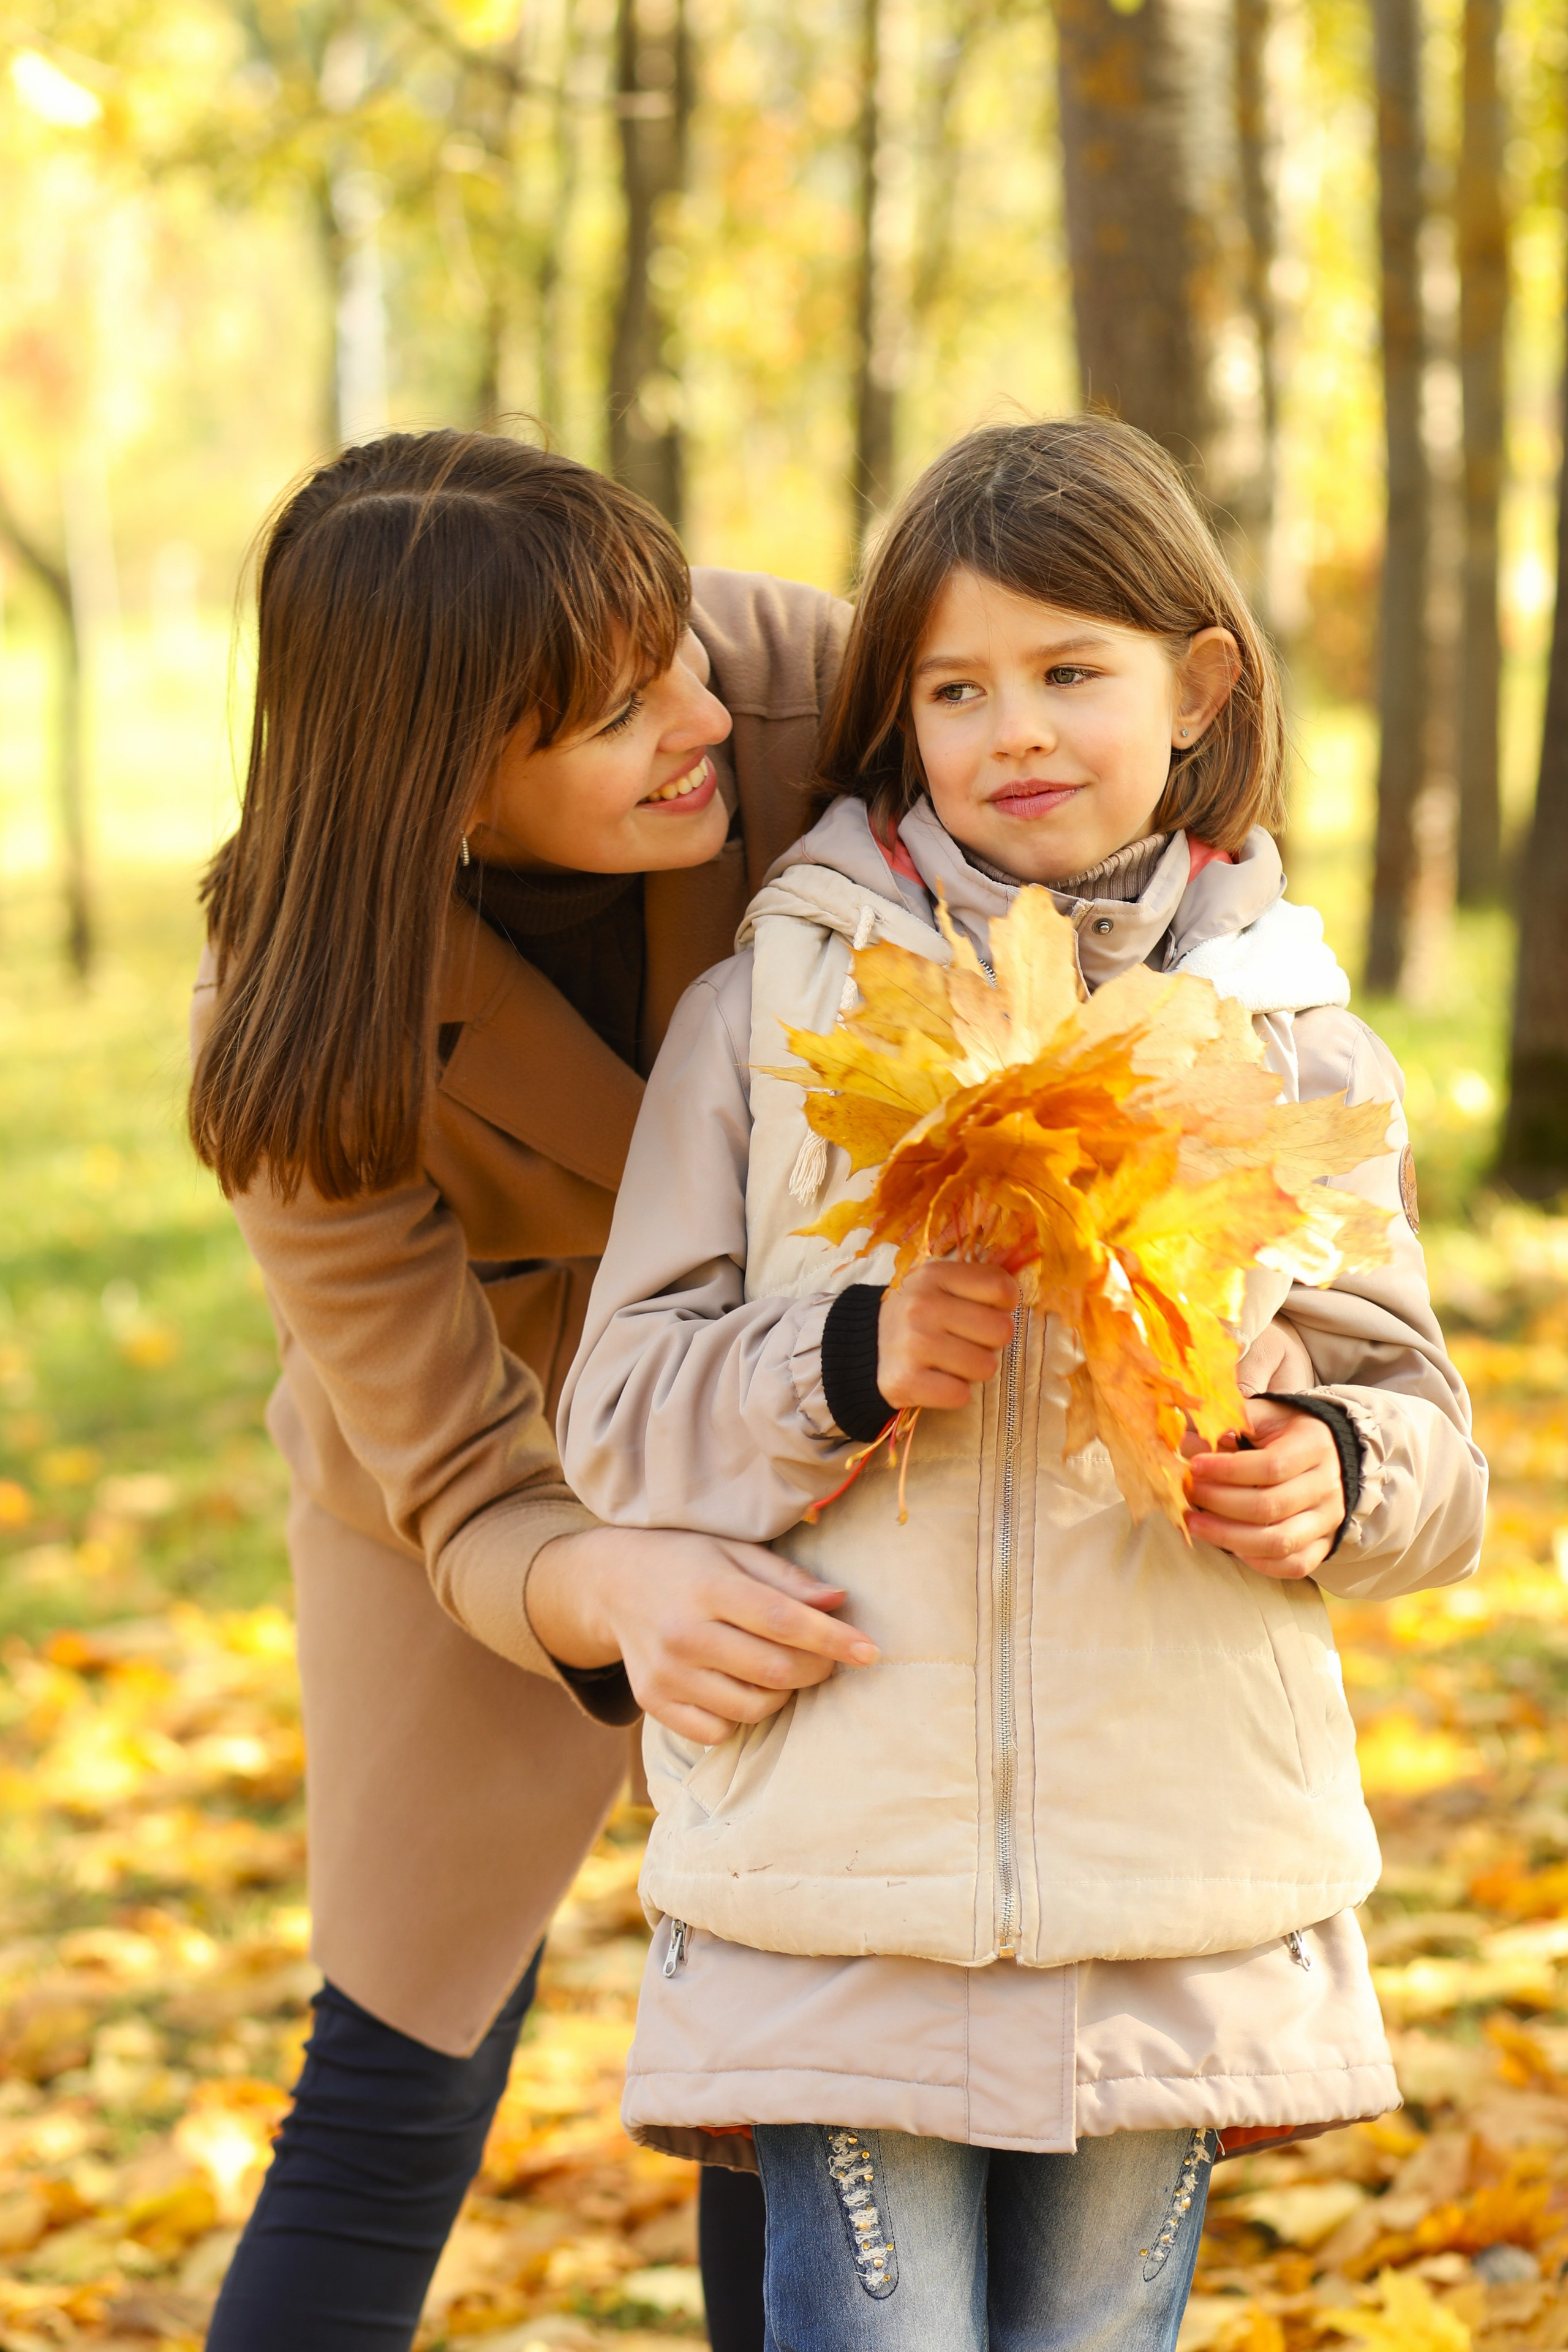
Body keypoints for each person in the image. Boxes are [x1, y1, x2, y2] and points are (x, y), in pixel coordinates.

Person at [558, 416, 1489, 2352]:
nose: (1020, 733)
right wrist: (838, 1358)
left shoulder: (1290, 1034)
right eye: (958, 690)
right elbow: (620, 1410)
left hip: (1173, 1869)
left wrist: (1333, 1469)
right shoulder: (772, 1013)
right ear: (899, 718)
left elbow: (1428, 1439)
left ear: (1196, 684)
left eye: (1074, 673)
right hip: (841, 1868)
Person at [188, 428, 867, 2351]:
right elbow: (459, 1477)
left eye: (675, 645)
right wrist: (610, 1582)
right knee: (395, 2074)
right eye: (611, 712)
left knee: (799, 2063)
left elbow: (1147, 818)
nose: (696, 711)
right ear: (445, 777)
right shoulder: (290, 1013)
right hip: (481, 1474)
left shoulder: (820, 690)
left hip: (830, 1397)